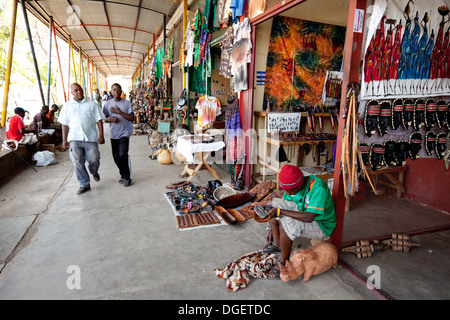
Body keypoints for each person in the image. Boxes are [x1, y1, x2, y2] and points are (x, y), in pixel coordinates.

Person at [260, 164, 336, 278]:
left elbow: (309, 217)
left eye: (289, 191)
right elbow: (283, 202)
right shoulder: (294, 186)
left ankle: (283, 260)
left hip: (321, 225)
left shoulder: (317, 187)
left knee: (288, 224)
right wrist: (270, 227)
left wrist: (281, 212)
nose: (287, 193)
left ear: (299, 185)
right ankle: (277, 243)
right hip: (303, 210)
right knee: (271, 204)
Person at [59, 83, 105, 195]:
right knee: (77, 161)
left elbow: (99, 120)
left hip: (90, 136)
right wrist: (64, 140)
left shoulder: (91, 104)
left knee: (94, 158)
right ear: (71, 93)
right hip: (74, 138)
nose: (79, 92)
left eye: (80, 89)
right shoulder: (67, 106)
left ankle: (93, 171)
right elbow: (64, 124)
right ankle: (84, 184)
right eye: (76, 90)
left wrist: (101, 135)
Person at [103, 83, 134, 187]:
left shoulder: (126, 103)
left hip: (125, 132)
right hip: (113, 133)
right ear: (111, 92)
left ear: (121, 91)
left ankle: (127, 177)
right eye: (114, 90)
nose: (116, 91)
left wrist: (119, 112)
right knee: (116, 157)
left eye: (118, 89)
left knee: (122, 154)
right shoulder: (107, 104)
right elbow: (103, 118)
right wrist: (109, 119)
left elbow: (131, 118)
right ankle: (123, 175)